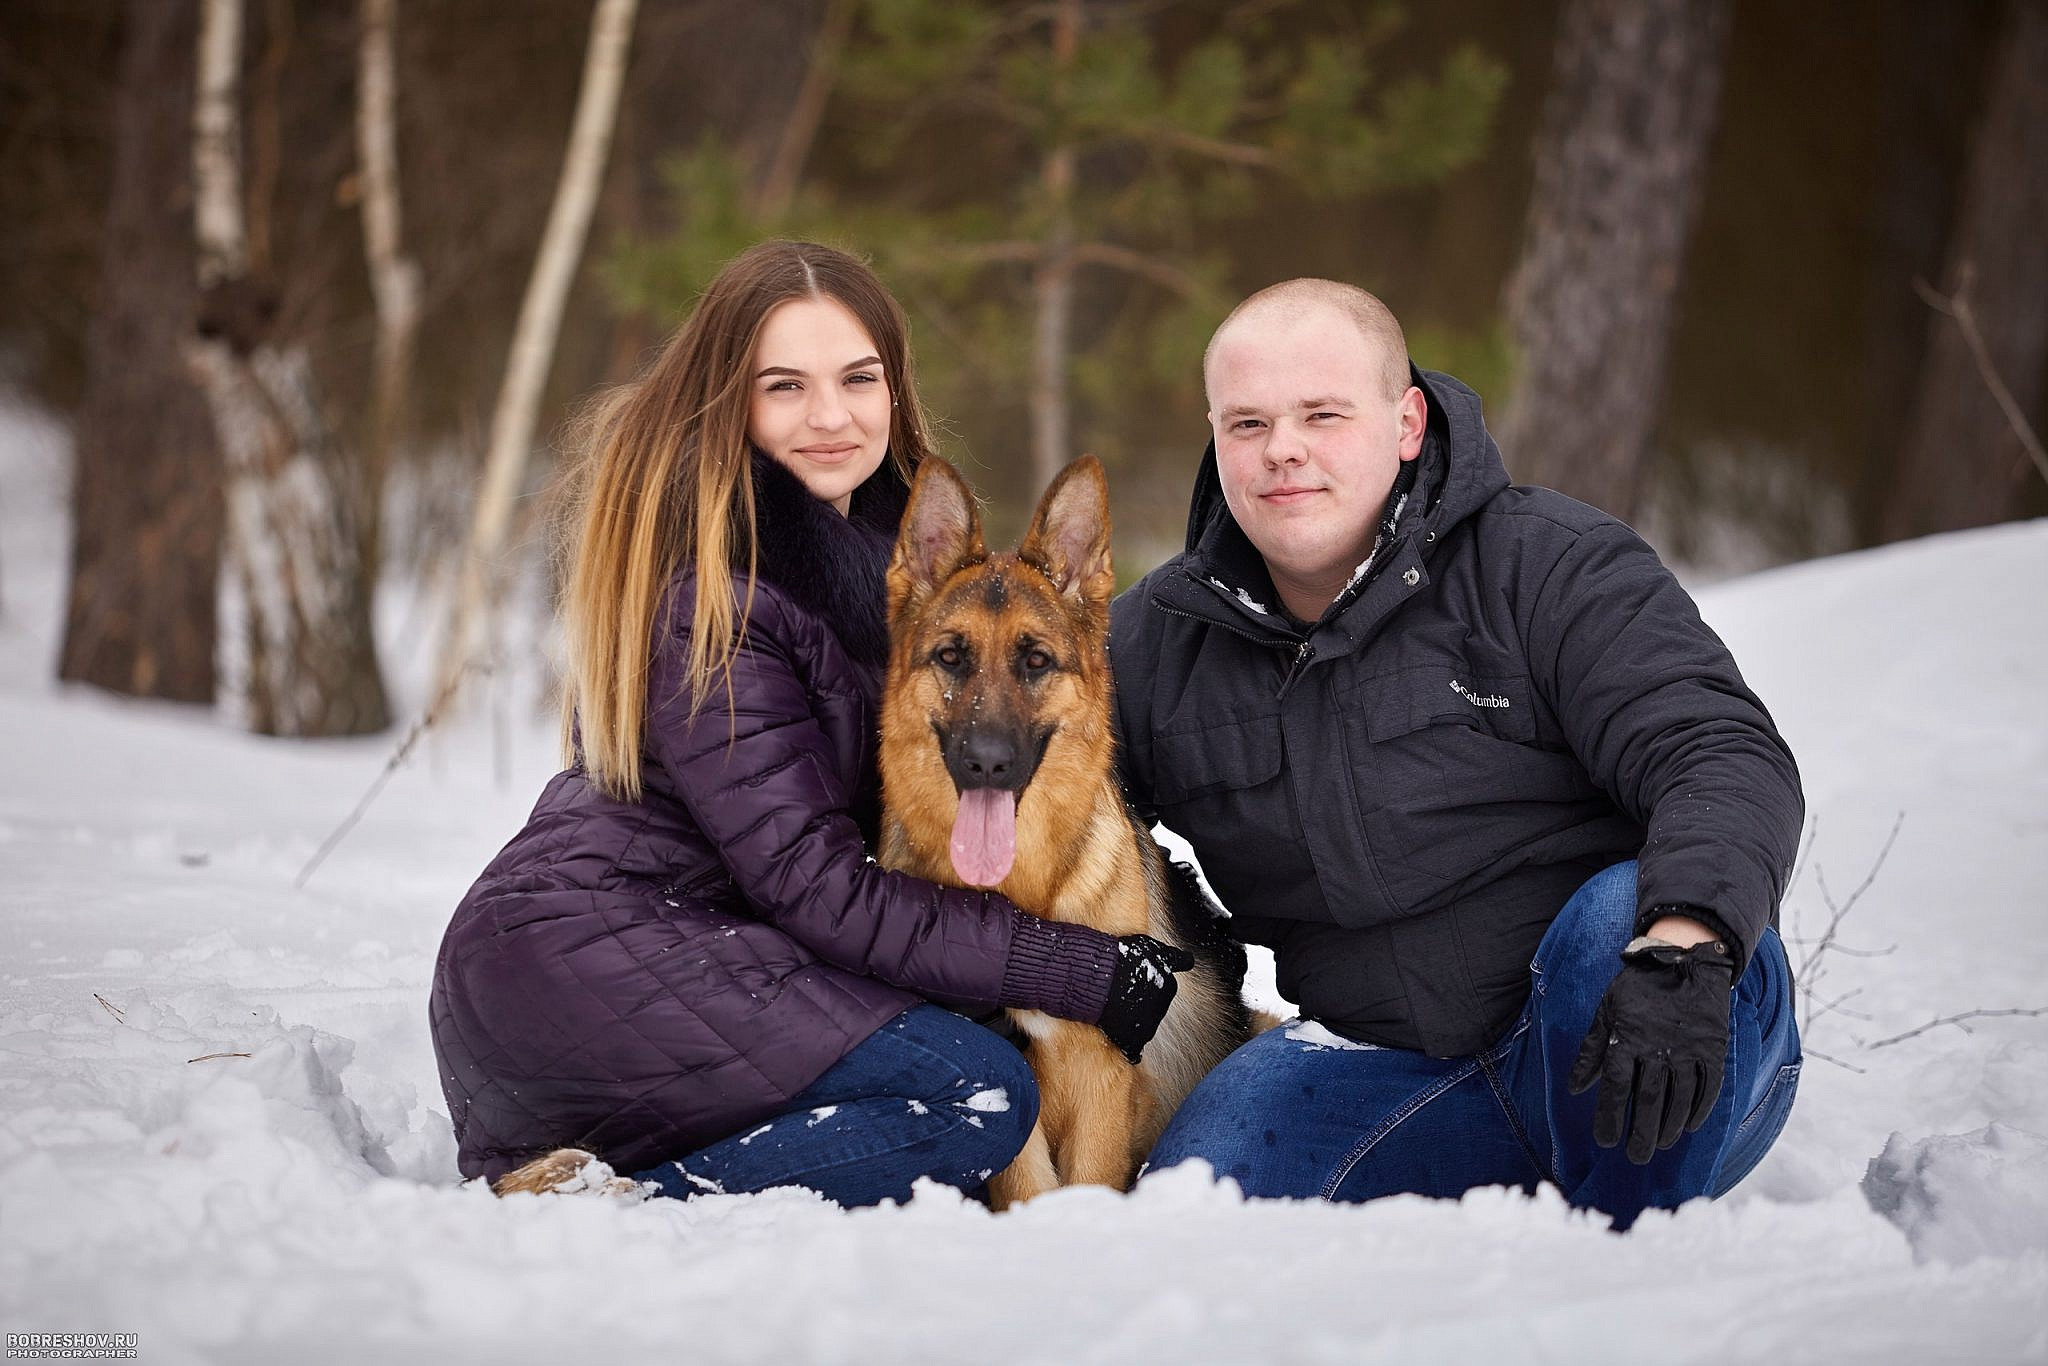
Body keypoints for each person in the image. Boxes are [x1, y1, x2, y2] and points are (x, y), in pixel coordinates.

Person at [428, 240, 1189, 1209]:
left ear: (894, 390)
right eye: (783, 385)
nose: (830, 416)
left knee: (962, 1061)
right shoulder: (716, 597)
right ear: (728, 402)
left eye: (857, 379)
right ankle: (611, 1200)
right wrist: (1067, 964)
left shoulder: (891, 567)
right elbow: (816, 885)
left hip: (699, 952)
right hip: (586, 971)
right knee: (972, 1093)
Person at [1113, 278, 1804, 1228]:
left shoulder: (1547, 564)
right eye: (1248, 423)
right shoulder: (1154, 646)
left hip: (1646, 1023)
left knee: (1612, 930)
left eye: (1322, 414)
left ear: (1406, 421)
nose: (1283, 450)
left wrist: (1688, 946)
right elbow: (1037, 803)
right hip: (1388, 1066)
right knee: (1188, 1216)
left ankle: (1631, 1270)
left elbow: (1717, 750)